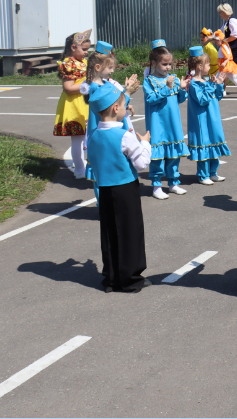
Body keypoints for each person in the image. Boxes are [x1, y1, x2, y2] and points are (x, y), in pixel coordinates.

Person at [87, 82, 152, 293]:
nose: (126, 108)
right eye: (124, 104)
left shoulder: (94, 136)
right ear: (116, 109)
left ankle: (111, 278)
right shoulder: (125, 136)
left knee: (109, 233)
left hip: (105, 189)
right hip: (125, 188)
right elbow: (142, 164)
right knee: (130, 232)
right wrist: (145, 144)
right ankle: (131, 278)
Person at [81, 41, 139, 198]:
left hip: (108, 129)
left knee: (108, 166)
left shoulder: (104, 84)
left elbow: (113, 104)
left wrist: (124, 103)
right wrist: (126, 95)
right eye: (110, 67)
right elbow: (108, 106)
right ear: (98, 68)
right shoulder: (95, 88)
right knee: (101, 170)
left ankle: (109, 203)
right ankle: (103, 205)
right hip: (102, 131)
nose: (113, 70)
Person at [143, 40, 189, 199]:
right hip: (157, 124)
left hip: (173, 123)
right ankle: (156, 186)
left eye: (170, 64)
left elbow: (180, 99)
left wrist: (182, 89)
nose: (168, 67)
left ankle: (173, 183)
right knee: (157, 156)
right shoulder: (149, 81)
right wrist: (166, 87)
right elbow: (151, 99)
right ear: (154, 63)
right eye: (164, 64)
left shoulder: (174, 79)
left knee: (174, 154)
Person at [186, 46, 230, 186]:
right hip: (201, 121)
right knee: (204, 144)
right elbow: (202, 100)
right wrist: (211, 85)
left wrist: (218, 85)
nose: (210, 66)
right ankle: (203, 174)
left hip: (212, 119)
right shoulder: (193, 83)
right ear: (200, 66)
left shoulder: (206, 81)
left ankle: (213, 172)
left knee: (214, 142)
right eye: (207, 64)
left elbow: (216, 97)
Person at [54, 30, 92, 178]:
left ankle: (84, 165)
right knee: (78, 137)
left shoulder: (83, 62)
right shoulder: (68, 64)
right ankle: (79, 169)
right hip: (75, 104)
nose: (86, 53)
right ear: (73, 47)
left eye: (87, 49)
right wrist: (88, 86)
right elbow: (68, 88)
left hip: (85, 102)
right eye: (84, 49)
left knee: (87, 136)